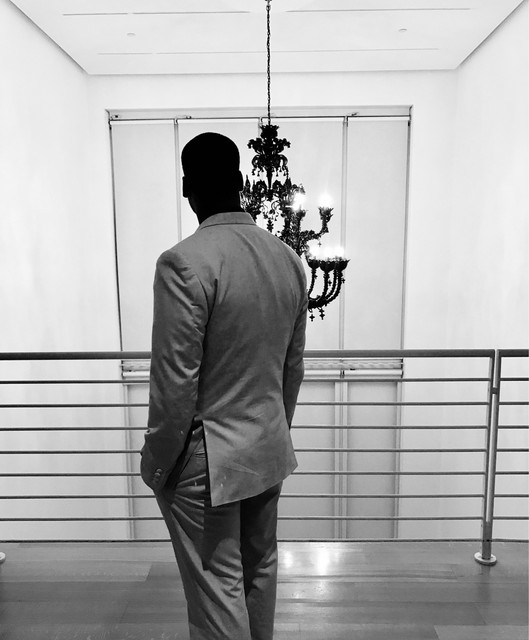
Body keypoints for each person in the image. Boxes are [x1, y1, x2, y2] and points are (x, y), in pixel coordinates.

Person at [140, 132, 308, 640]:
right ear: (240, 181)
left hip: (207, 459)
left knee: (217, 591)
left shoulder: (183, 262)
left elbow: (174, 383)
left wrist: (156, 465)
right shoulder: (287, 259)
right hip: (267, 445)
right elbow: (292, 368)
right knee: (259, 570)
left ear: (186, 187)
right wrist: (274, 427)